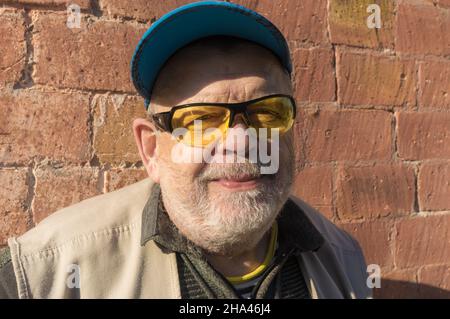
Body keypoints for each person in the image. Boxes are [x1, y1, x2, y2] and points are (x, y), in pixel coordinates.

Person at [0, 1, 371, 299]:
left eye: (266, 112)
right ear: (150, 150)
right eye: (199, 121)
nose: (240, 141)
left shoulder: (344, 260)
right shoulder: (40, 275)